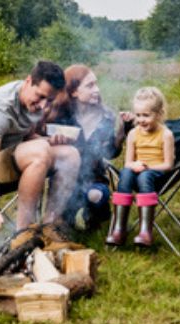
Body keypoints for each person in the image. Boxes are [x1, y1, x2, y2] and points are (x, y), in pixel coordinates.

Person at [0, 60, 79, 234]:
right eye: (41, 96)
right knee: (40, 153)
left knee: (70, 155)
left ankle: (50, 228)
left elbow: (29, 137)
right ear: (28, 81)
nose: (44, 106)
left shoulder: (33, 102)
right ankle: (23, 234)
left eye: (50, 100)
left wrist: (51, 140)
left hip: (13, 155)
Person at [41, 64, 133, 232]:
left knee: (96, 195)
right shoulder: (61, 116)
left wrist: (121, 132)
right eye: (90, 85)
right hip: (66, 182)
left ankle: (93, 217)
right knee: (63, 226)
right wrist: (53, 141)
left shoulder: (106, 117)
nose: (97, 90)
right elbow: (43, 142)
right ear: (74, 91)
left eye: (96, 84)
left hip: (95, 180)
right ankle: (62, 220)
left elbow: (111, 153)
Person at [106, 86, 175, 248]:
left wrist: (147, 167)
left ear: (159, 114)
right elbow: (128, 163)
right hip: (135, 172)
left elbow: (168, 164)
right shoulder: (133, 134)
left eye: (146, 115)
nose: (141, 120)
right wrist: (135, 165)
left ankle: (145, 231)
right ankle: (119, 230)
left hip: (157, 174)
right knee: (126, 173)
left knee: (145, 175)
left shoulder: (166, 135)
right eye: (138, 115)